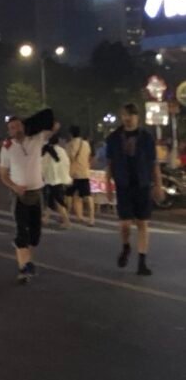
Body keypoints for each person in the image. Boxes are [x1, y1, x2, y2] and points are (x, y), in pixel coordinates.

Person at [106, 103, 164, 276]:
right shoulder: (114, 138)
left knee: (142, 223)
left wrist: (158, 185)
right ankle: (126, 247)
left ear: (137, 117)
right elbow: (109, 164)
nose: (127, 118)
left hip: (142, 183)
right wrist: (108, 185)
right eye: (124, 114)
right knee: (125, 224)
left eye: (131, 115)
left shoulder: (146, 137)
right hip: (123, 184)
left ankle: (142, 261)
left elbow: (154, 164)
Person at [0, 110, 56, 284]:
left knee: (35, 235)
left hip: (36, 193)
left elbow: (54, 125)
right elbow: (3, 175)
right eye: (11, 127)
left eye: (17, 126)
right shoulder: (7, 147)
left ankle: (26, 259)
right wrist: (14, 186)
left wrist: (33, 123)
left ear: (23, 126)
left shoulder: (37, 139)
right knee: (22, 233)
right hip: (19, 195)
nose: (14, 130)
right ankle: (24, 266)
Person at [41, 134, 71, 229]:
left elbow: (42, 166)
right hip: (59, 179)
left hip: (50, 179)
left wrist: (42, 176)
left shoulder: (46, 152)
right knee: (52, 199)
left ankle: (66, 222)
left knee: (58, 201)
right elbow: (66, 164)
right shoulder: (62, 151)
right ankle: (46, 218)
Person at [66, 126, 94, 225]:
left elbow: (68, 159)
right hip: (84, 173)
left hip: (72, 174)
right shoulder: (86, 144)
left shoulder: (69, 145)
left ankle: (67, 218)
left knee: (69, 195)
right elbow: (89, 155)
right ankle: (91, 218)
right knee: (87, 196)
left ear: (70, 134)